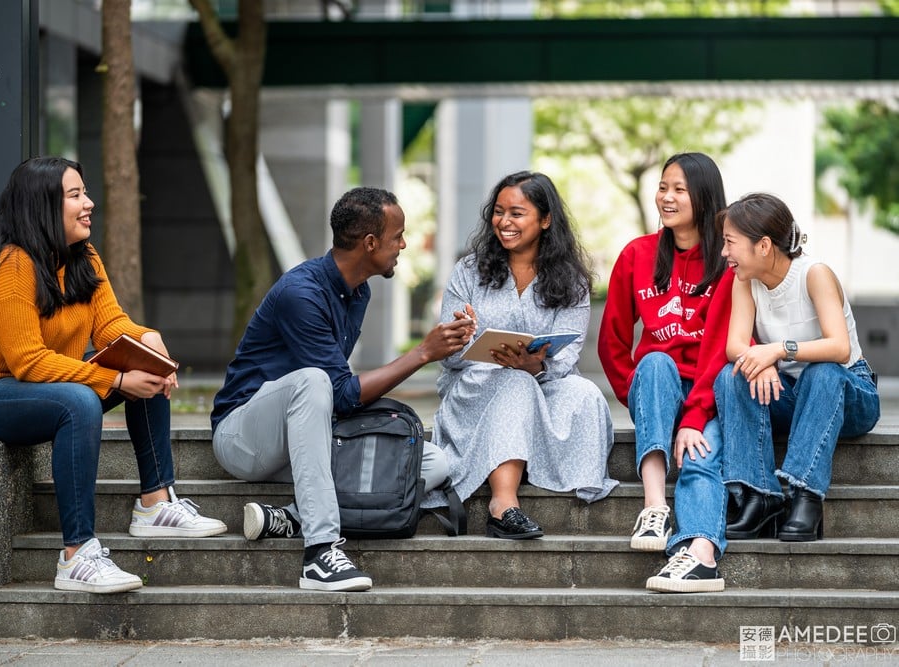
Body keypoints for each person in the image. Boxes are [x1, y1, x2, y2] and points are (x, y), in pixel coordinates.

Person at [0, 156, 227, 595]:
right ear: (43, 206)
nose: (89, 203)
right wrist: (116, 383)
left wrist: (148, 339)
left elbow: (112, 327)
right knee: (82, 400)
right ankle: (77, 554)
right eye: (76, 196)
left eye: (85, 193)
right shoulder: (12, 266)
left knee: (138, 359)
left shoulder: (82, 256)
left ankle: (156, 503)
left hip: (31, 388)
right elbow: (28, 362)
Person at [211, 186, 476, 593]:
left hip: (306, 438)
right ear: (370, 243)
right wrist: (423, 352)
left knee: (431, 462)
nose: (403, 244)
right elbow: (340, 391)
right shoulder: (301, 293)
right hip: (244, 438)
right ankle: (319, 553)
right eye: (397, 236)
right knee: (313, 381)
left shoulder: (358, 291)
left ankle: (291, 517)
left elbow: (341, 399)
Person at [426, 171, 616, 541]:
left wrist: (538, 365)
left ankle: (524, 452)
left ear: (545, 220)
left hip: (543, 383)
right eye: (498, 212)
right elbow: (447, 354)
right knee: (513, 381)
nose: (504, 222)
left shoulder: (572, 280)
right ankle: (503, 505)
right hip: (477, 385)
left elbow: (569, 352)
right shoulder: (468, 271)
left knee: (585, 395)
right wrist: (464, 340)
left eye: (517, 213)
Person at [598, 152, 733, 593]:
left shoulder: (726, 264)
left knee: (700, 458)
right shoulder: (636, 254)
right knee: (654, 362)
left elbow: (718, 351)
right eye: (662, 187)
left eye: (679, 189)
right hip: (658, 387)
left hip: (708, 392)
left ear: (705, 197)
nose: (666, 198)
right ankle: (654, 507)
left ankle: (701, 554)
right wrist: (637, 397)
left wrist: (695, 415)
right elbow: (612, 341)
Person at [714, 192, 880, 542]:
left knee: (822, 371)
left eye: (730, 243)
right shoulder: (745, 281)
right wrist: (760, 365)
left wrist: (776, 351)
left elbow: (839, 346)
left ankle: (805, 496)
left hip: (849, 392)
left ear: (762, 246)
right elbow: (735, 346)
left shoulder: (814, 274)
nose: (724, 253)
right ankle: (759, 497)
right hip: (792, 396)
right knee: (730, 379)